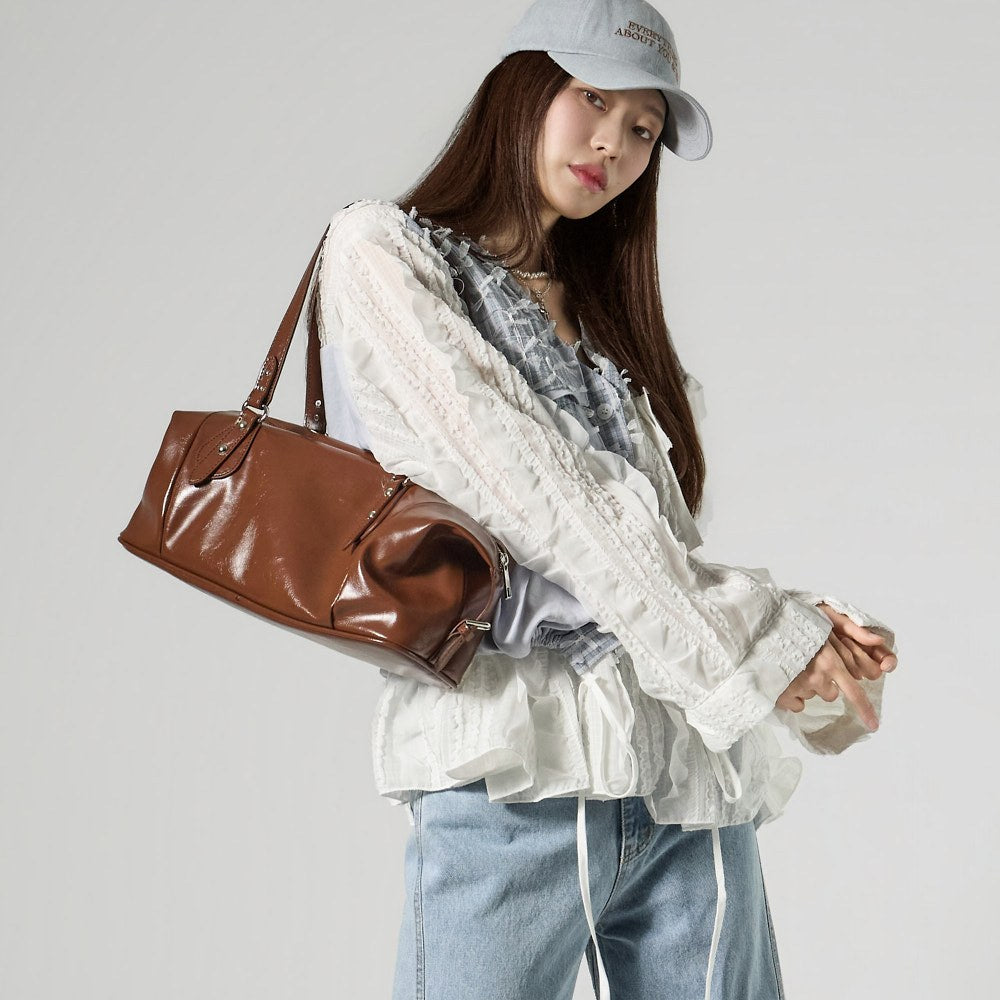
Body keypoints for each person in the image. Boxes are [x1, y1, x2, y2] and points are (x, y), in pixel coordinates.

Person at [312, 1, 900, 997]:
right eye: (592, 99)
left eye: (641, 129)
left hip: (683, 784)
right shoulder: (385, 255)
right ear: (521, 88)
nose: (612, 145)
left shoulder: (603, 324)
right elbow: (542, 499)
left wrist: (803, 636)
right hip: (514, 776)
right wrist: (762, 634)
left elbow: (649, 550)